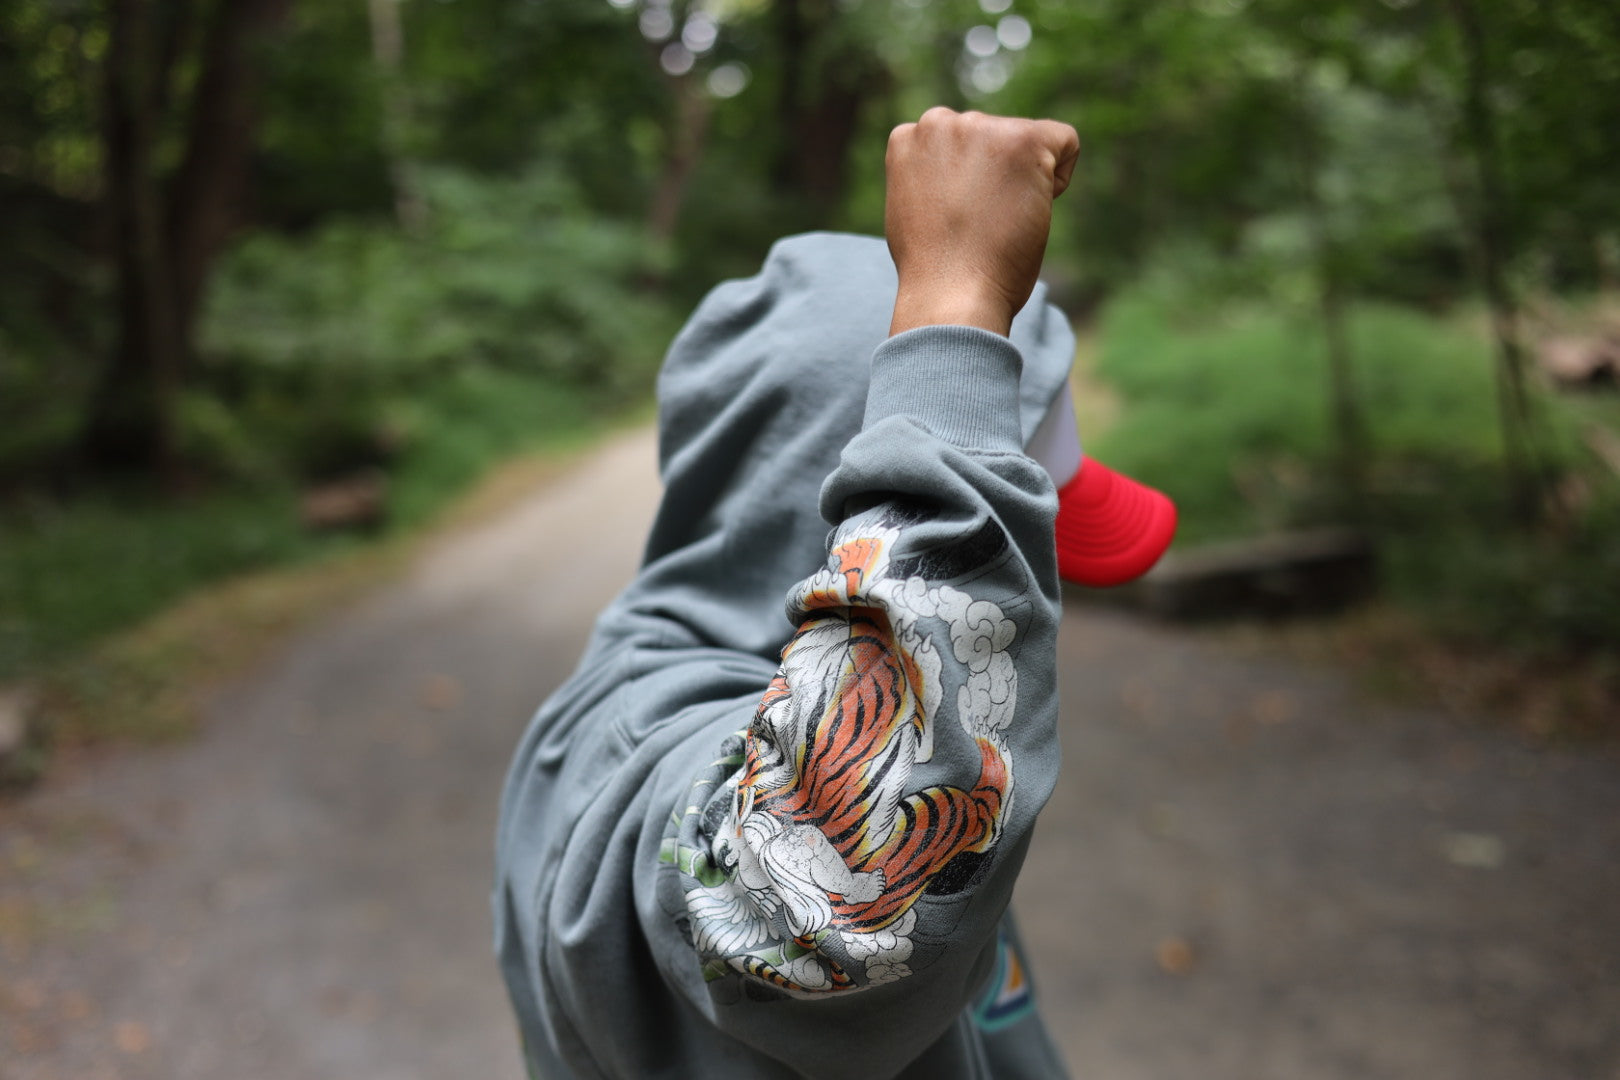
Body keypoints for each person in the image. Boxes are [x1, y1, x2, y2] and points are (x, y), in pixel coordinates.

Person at [492, 108, 1175, 1080]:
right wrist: (952, 321)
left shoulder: (851, 695)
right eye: (989, 516)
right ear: (876, 501)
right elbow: (824, 907)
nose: (1016, 616)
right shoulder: (630, 753)